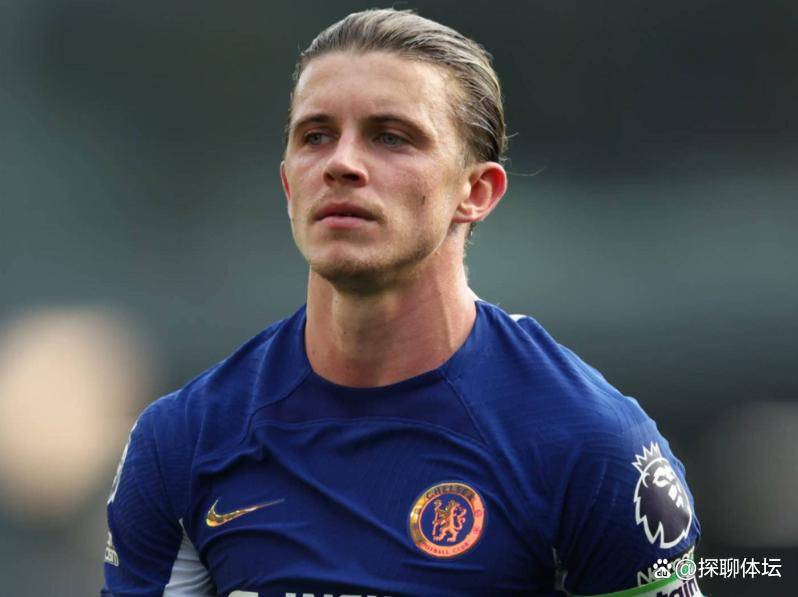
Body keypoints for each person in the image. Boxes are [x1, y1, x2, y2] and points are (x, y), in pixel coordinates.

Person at [102, 9, 701, 597]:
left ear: (476, 191)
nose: (341, 164)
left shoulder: (591, 444)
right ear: (288, 183)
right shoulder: (183, 439)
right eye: (316, 136)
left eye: (391, 137)